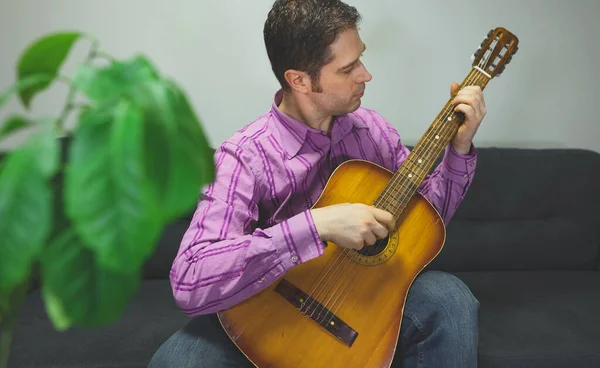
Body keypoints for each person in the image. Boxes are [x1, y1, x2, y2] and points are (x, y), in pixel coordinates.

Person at [149, 0, 485, 367]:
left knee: (450, 299)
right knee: (179, 360)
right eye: (348, 68)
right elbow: (190, 279)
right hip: (268, 308)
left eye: (361, 58)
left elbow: (425, 220)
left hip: (364, 301)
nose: (366, 75)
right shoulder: (244, 156)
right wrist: (318, 225)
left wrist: (459, 147)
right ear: (299, 80)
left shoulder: (372, 131)